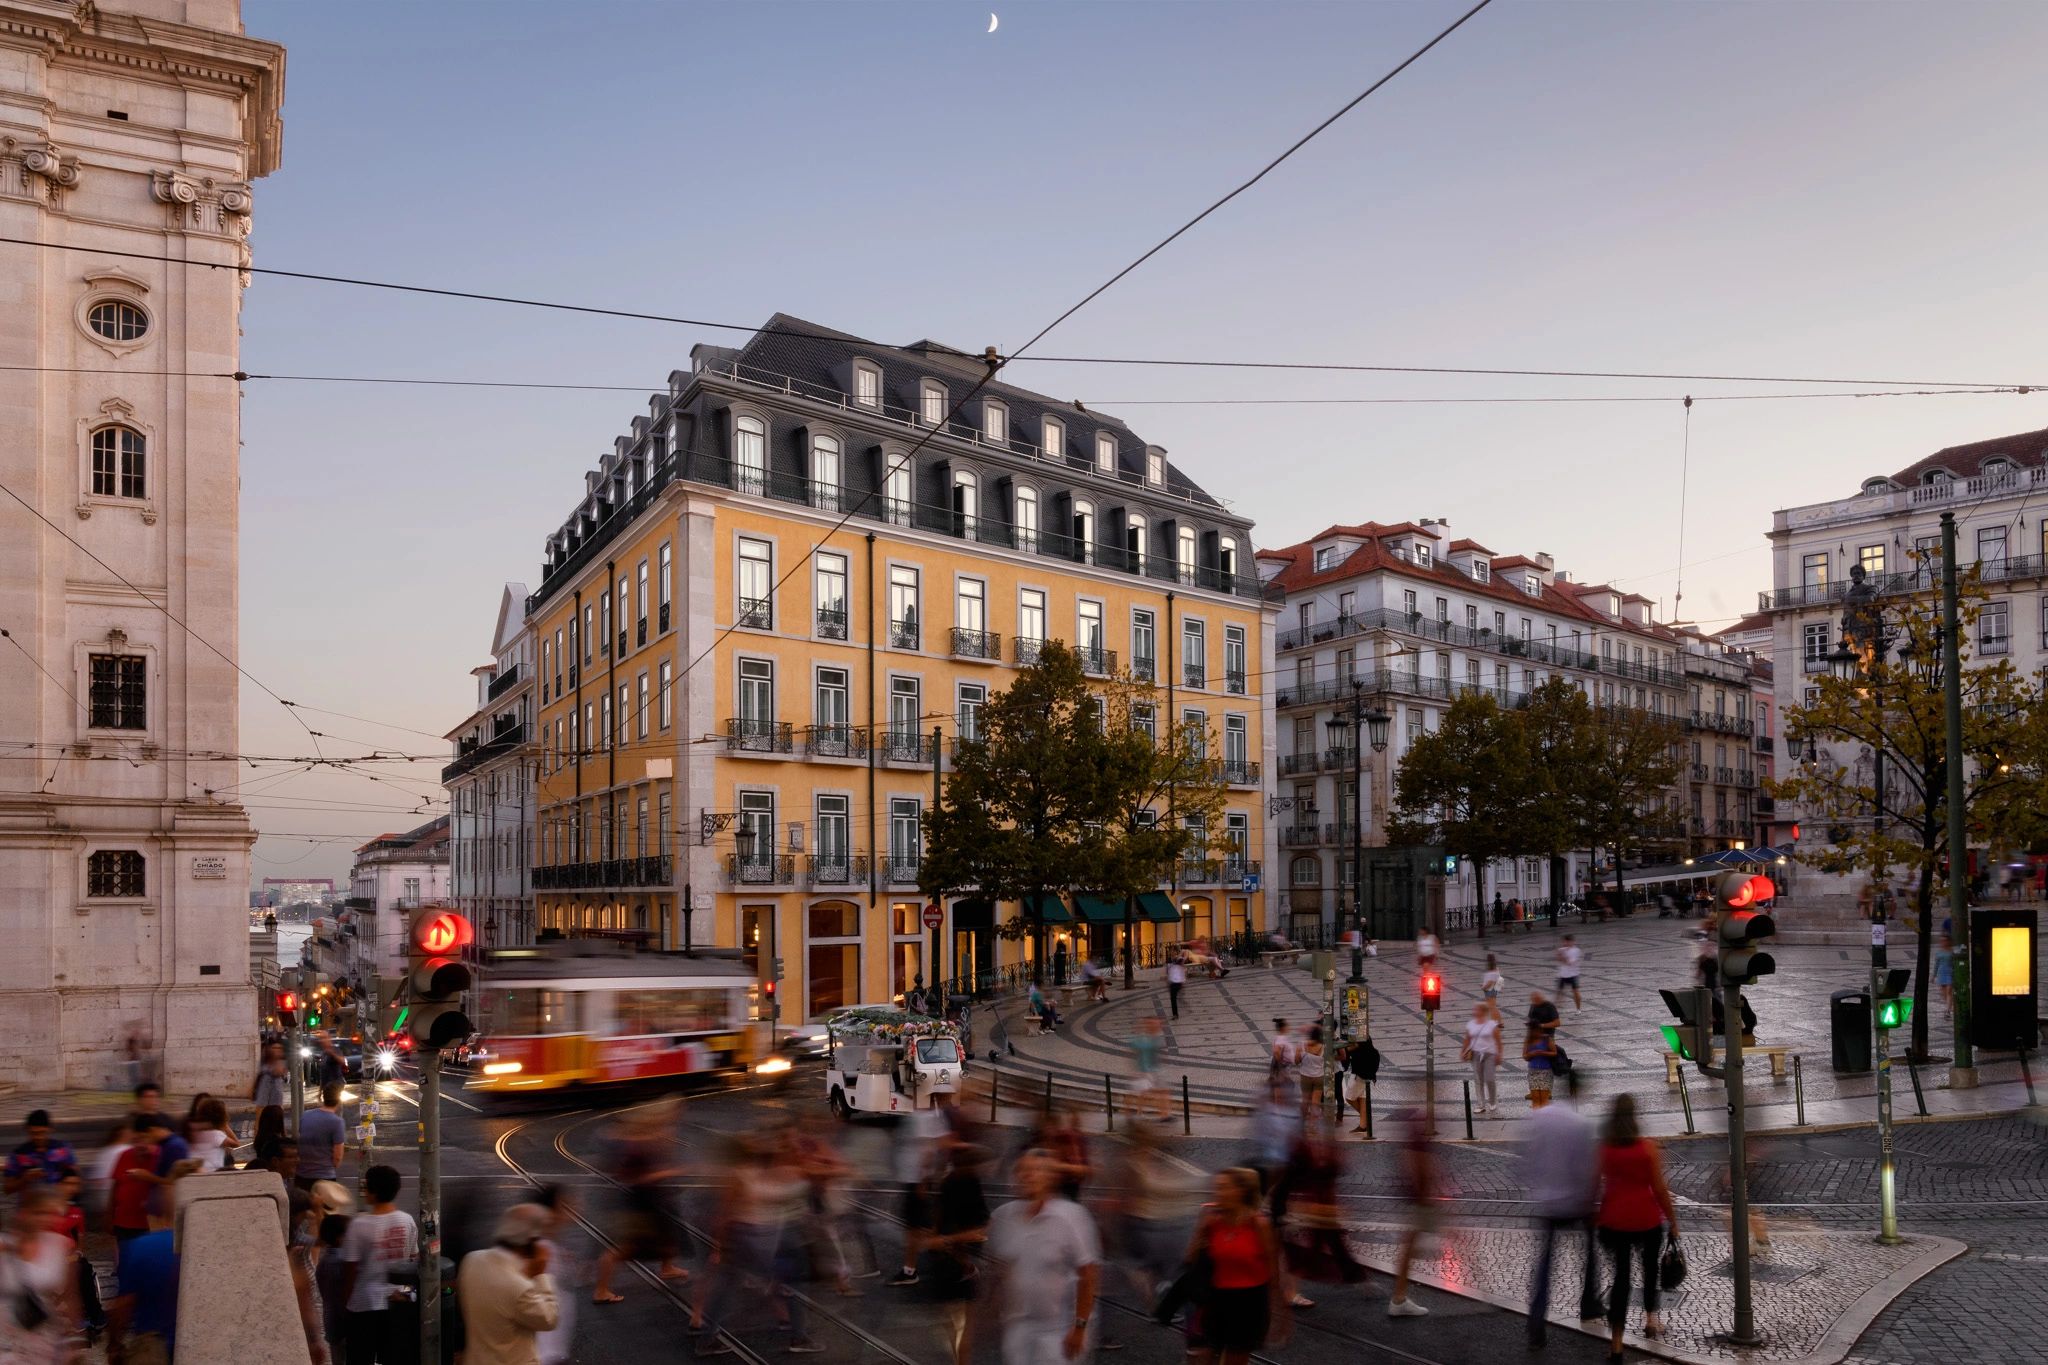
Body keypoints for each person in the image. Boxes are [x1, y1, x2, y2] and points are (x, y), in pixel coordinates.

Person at [987, 1149, 1100, 1365]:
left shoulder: (1072, 1217)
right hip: (1017, 1326)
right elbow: (999, 1268)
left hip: (1059, 1328)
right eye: (1023, 1170)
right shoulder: (1003, 1217)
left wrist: (1079, 1327)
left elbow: (1088, 1274)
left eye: (1037, 1170)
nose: (1029, 1175)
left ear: (1051, 1178)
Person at [1593, 1095, 1680, 1361]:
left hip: (1614, 1221)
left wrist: (1593, 1213)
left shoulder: (1604, 1149)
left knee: (1620, 1280)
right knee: (1650, 1270)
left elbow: (1593, 1184)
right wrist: (1673, 1221)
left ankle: (1616, 1345)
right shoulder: (1648, 1148)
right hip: (1646, 1219)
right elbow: (1660, 1189)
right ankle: (1651, 1320)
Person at [1521, 1068, 1603, 1346]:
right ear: (1579, 1090)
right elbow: (1585, 1168)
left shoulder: (1541, 1117)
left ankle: (1536, 1319)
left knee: (1545, 1263)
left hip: (1547, 1200)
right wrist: (1590, 1200)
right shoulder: (1581, 1124)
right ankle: (1590, 1302)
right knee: (1589, 1251)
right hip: (1575, 1202)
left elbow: (1528, 1156)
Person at [1186, 1167, 1285, 1365]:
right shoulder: (1213, 1221)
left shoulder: (1259, 1224)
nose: (1217, 1193)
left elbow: (1273, 1270)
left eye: (1223, 1188)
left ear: (1241, 1192)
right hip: (1216, 1299)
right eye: (1217, 1188)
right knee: (1200, 1358)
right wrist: (1201, 1228)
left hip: (1248, 1303)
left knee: (1235, 1359)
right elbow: (1190, 1259)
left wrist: (1278, 1312)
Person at [592, 1102, 688, 1302]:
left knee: (668, 1234)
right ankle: (601, 1290)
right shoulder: (636, 1145)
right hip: (639, 1202)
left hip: (651, 1200)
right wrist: (665, 1173)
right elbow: (633, 1178)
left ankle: (667, 1267)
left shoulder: (648, 1139)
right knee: (625, 1247)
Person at [457, 1203, 561, 1365]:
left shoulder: (471, 1260)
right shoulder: (520, 1288)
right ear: (533, 1241)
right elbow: (549, 1319)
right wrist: (541, 1275)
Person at [339, 1163, 418, 1365]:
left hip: (365, 1303)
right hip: (400, 1300)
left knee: (360, 1357)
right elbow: (413, 1260)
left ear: (371, 1192)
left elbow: (350, 1271)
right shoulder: (407, 1220)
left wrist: (344, 1305)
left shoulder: (358, 1225)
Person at [108, 1167, 189, 1365]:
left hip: (154, 1349)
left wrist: (114, 1344)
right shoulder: (205, 1245)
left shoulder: (138, 1247)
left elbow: (123, 1307)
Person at [2, 1182, 80, 1365]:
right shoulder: (4, 1245)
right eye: (39, 1212)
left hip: (43, 1335)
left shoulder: (61, 1246)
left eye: (51, 1213)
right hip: (6, 1335)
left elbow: (70, 1297)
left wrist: (74, 1341)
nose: (45, 1219)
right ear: (24, 1212)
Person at [930, 1143, 991, 1365]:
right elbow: (979, 1224)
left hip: (945, 1261)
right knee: (967, 1325)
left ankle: (957, 1361)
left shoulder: (948, 1182)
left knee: (953, 1323)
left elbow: (938, 1222)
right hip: (963, 1262)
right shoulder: (969, 1183)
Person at [1385, 1111, 1435, 1318]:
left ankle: (1399, 1297)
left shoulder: (1418, 1117)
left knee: (1412, 1241)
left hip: (1424, 1194)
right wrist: (1424, 1194)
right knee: (1456, 1236)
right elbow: (1415, 1158)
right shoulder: (1418, 1118)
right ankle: (1398, 1299)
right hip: (1423, 1196)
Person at [533, 1187, 581, 1365]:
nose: (575, 1208)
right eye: (565, 1206)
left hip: (553, 1351)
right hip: (545, 1353)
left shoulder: (548, 1247)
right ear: (549, 1214)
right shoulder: (542, 1252)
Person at [109, 1117, 167, 1253]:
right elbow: (115, 1186)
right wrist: (109, 1216)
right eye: (137, 1140)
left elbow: (168, 1184)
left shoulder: (160, 1157)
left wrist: (147, 1177)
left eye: (144, 1139)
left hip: (150, 1224)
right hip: (124, 1222)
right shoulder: (124, 1155)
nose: (141, 1144)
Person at [5, 1111, 78, 1194]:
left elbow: (75, 1179)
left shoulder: (62, 1149)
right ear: (27, 1130)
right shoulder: (19, 1154)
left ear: (50, 1129)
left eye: (42, 1132)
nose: (38, 1137)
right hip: (31, 1204)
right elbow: (7, 1189)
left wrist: (67, 1185)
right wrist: (25, 1179)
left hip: (59, 1202)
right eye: (33, 1133)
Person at [298, 1084, 348, 1190]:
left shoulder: (306, 1115)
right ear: (339, 1101)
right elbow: (337, 1156)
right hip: (324, 1177)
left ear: (323, 1097)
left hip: (302, 1176)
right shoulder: (337, 1122)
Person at [1461, 1003, 1501, 1114]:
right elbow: (1467, 1039)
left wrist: (1499, 1054)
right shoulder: (1470, 1024)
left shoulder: (1491, 1024)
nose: (1475, 1012)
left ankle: (1492, 1102)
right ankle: (1481, 1104)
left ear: (1483, 1011)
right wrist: (1463, 1051)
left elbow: (1498, 1041)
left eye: (1477, 1010)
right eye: (1475, 1009)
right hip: (1475, 1054)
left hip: (1489, 1054)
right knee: (1478, 1080)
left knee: (1490, 1079)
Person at [1339, 1036, 1380, 1135]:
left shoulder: (1358, 1052)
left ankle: (1365, 1118)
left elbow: (1346, 1057)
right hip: (1367, 1079)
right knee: (1362, 1099)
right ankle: (1363, 1125)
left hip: (1357, 1078)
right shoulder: (1374, 1052)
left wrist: (1349, 1047)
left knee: (1349, 1098)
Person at [188, 1095, 238, 1172]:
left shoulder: (194, 1131)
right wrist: (225, 1126)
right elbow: (236, 1143)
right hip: (212, 1173)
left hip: (196, 1171)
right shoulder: (216, 1135)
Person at [251, 1039, 291, 1116]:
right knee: (262, 1107)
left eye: (279, 1048)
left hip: (276, 1089)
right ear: (269, 1050)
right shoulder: (266, 1065)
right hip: (266, 1085)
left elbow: (281, 1072)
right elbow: (261, 1105)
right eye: (275, 1048)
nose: (277, 1050)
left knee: (278, 1108)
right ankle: (258, 1126)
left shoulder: (281, 1062)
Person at [1297, 1026, 1326, 1117]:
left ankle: (1302, 1123)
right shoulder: (1324, 1046)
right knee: (1315, 1103)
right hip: (1319, 1077)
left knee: (1305, 1100)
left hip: (1305, 1076)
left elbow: (1296, 1061)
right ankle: (1313, 1126)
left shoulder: (1302, 1044)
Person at [1556, 935, 1584, 1010]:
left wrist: (1562, 955)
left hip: (1573, 974)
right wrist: (1560, 955)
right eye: (1564, 941)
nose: (1564, 943)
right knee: (1560, 991)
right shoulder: (1562, 949)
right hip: (1563, 974)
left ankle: (1578, 1008)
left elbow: (1569, 962)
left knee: (1575, 991)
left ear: (1571, 942)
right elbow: (1558, 958)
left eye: (1566, 941)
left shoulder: (1576, 950)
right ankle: (1558, 1006)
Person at [1935, 933, 1955, 1013]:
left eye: (1945, 941)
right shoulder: (1939, 952)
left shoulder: (1952, 951)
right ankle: (1949, 1005)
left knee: (1949, 991)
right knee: (1944, 994)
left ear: (1948, 941)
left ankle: (1948, 1010)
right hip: (1941, 973)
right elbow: (1936, 964)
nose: (1943, 942)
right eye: (1941, 941)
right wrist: (1933, 975)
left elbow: (1955, 963)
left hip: (1950, 973)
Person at [1165, 951, 1187, 1020]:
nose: (1173, 955)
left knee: (1175, 997)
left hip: (1178, 982)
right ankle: (1175, 1014)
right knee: (1173, 999)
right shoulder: (1169, 962)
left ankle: (1181, 1001)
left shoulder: (1179, 960)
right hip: (1172, 982)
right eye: (1172, 954)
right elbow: (1167, 972)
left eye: (1174, 954)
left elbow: (1185, 955)